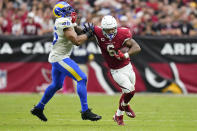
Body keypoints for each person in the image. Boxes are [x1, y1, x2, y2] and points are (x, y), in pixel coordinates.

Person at [30, 1, 101, 122]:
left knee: (56, 85)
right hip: (60, 58)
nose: (71, 11)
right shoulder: (63, 21)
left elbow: (81, 33)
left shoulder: (67, 22)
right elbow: (77, 41)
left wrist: (91, 31)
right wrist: (88, 34)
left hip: (58, 56)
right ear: (61, 13)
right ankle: (85, 111)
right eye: (67, 10)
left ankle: (38, 108)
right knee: (82, 78)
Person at [84, 15, 141, 125]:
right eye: (107, 30)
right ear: (103, 29)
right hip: (116, 70)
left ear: (116, 27)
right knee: (130, 91)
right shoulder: (98, 32)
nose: (110, 32)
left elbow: (137, 47)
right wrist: (75, 26)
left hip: (127, 66)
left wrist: (124, 55)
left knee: (128, 92)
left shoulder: (123, 33)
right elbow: (82, 31)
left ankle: (118, 116)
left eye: (112, 29)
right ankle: (125, 106)